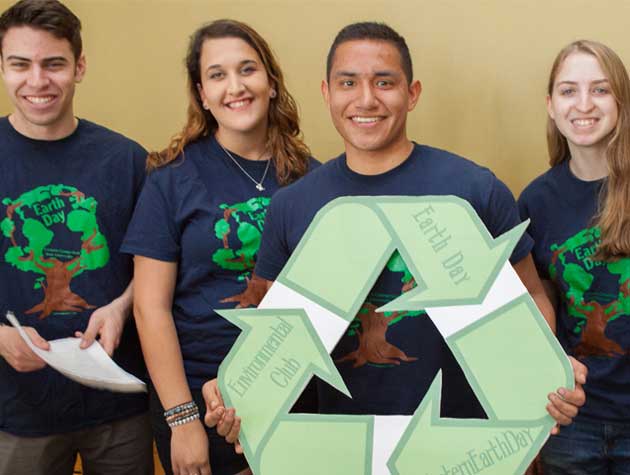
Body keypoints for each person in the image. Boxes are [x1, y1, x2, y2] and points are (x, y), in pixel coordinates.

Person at [203, 21, 587, 449]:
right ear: (327, 93)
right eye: (348, 82)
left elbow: (531, 297)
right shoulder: (292, 205)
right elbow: (265, 330)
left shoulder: (474, 189)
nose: (366, 99)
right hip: (340, 448)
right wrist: (232, 393)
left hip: (461, 449)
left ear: (412, 93)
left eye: (384, 82)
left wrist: (543, 375)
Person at [121, 19, 315, 475]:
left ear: (270, 82)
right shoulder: (170, 180)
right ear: (202, 94)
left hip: (296, 395)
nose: (235, 86)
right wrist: (182, 420)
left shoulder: (312, 179)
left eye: (247, 69)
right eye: (217, 75)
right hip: (198, 404)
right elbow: (150, 308)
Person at [0, 1, 152, 474]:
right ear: (2, 68)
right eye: (20, 65)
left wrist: (123, 306)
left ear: (79, 67)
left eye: (54, 64)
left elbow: (157, 269)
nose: (38, 81)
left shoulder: (127, 160)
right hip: (15, 411)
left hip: (119, 407)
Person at [519, 40, 630, 474]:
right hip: (573, 421)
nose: (583, 104)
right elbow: (531, 307)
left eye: (600, 90)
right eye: (568, 91)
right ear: (551, 105)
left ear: (621, 101)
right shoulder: (535, 200)